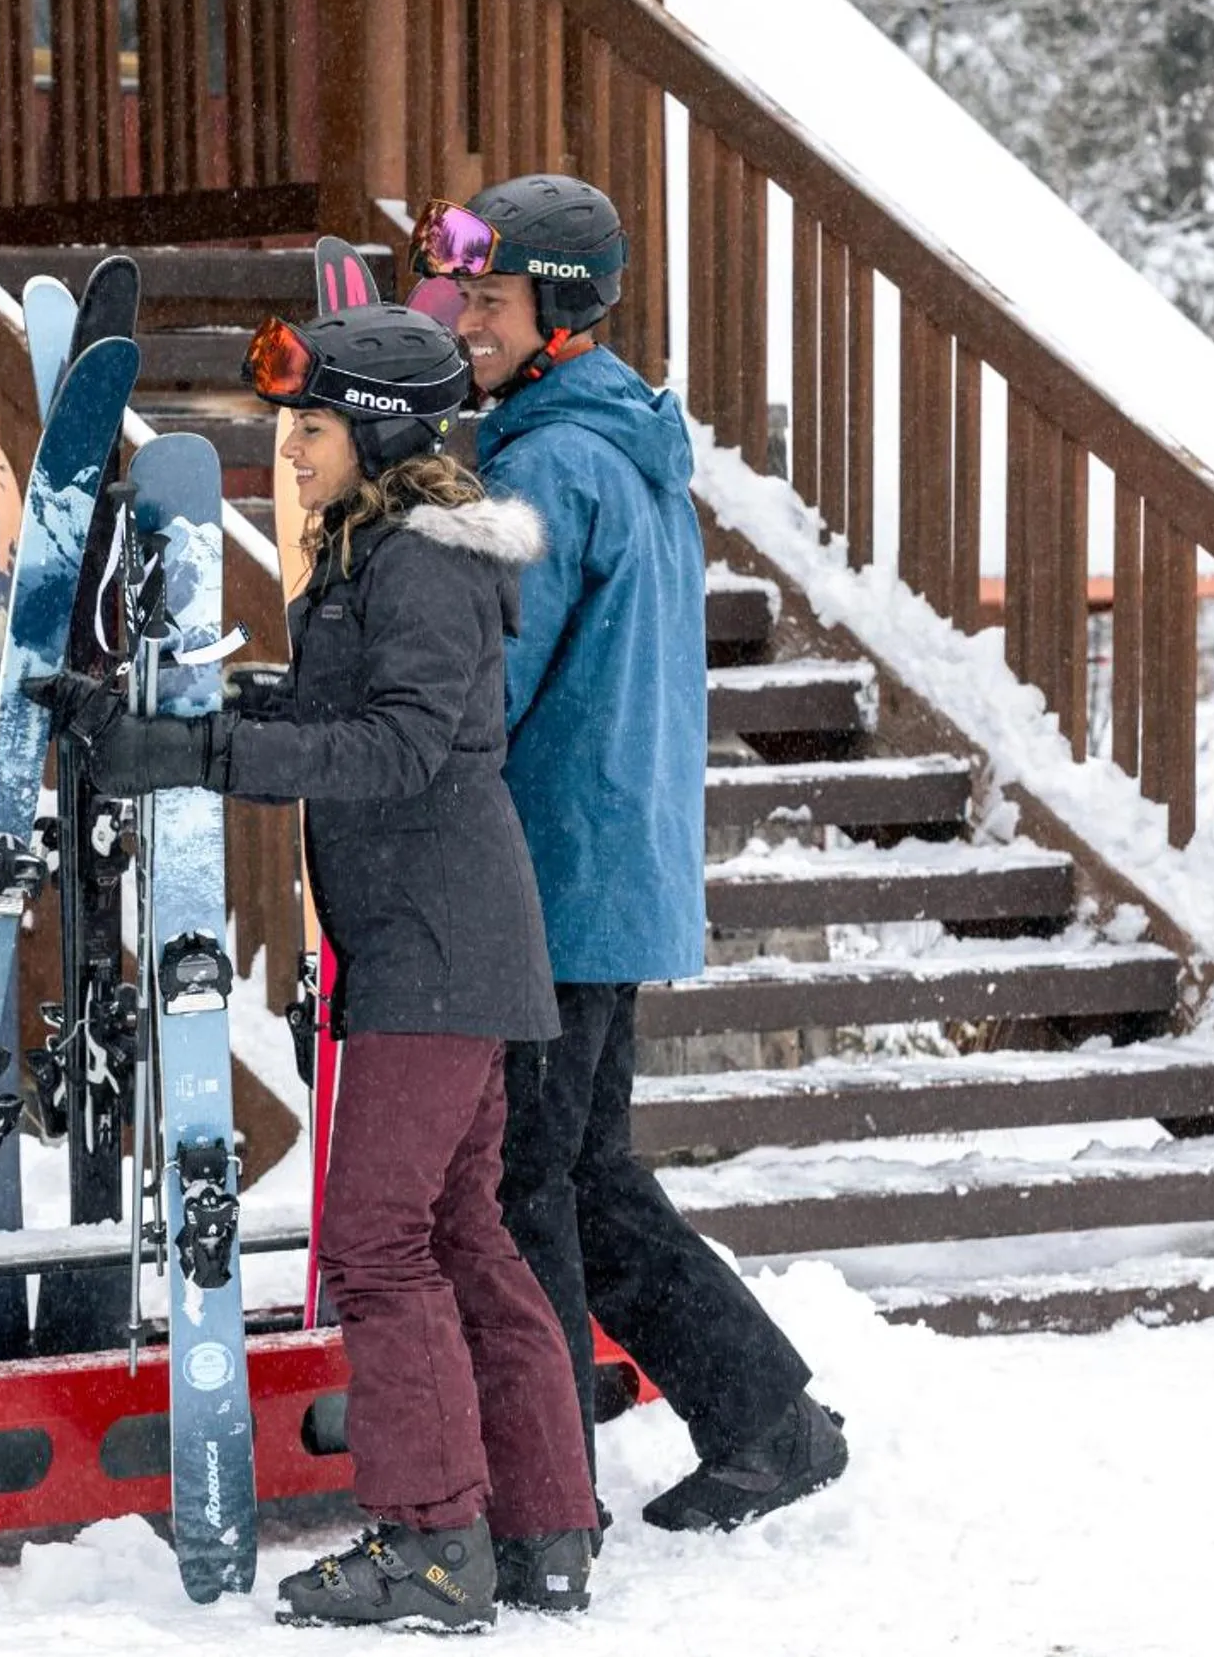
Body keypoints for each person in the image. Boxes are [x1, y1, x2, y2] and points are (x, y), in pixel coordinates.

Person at [31, 304, 598, 1631]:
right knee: (463, 1234)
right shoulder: (387, 553)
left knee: (380, 1241)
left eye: (313, 425)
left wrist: (208, 760)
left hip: (435, 944)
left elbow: (401, 749)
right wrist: (180, 716)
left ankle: (433, 1540)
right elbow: (343, 713)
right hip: (442, 937)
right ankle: (542, 1525)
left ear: (381, 432)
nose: (289, 449)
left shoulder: (418, 562)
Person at [409, 173, 849, 1534]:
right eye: (460, 292)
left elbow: (483, 671)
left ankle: (545, 1489)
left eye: (486, 297)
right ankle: (768, 1420)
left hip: (545, 872)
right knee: (579, 1173)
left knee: (515, 1185)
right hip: (606, 867)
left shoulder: (546, 466)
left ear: (559, 309)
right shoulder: (625, 446)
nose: (460, 318)